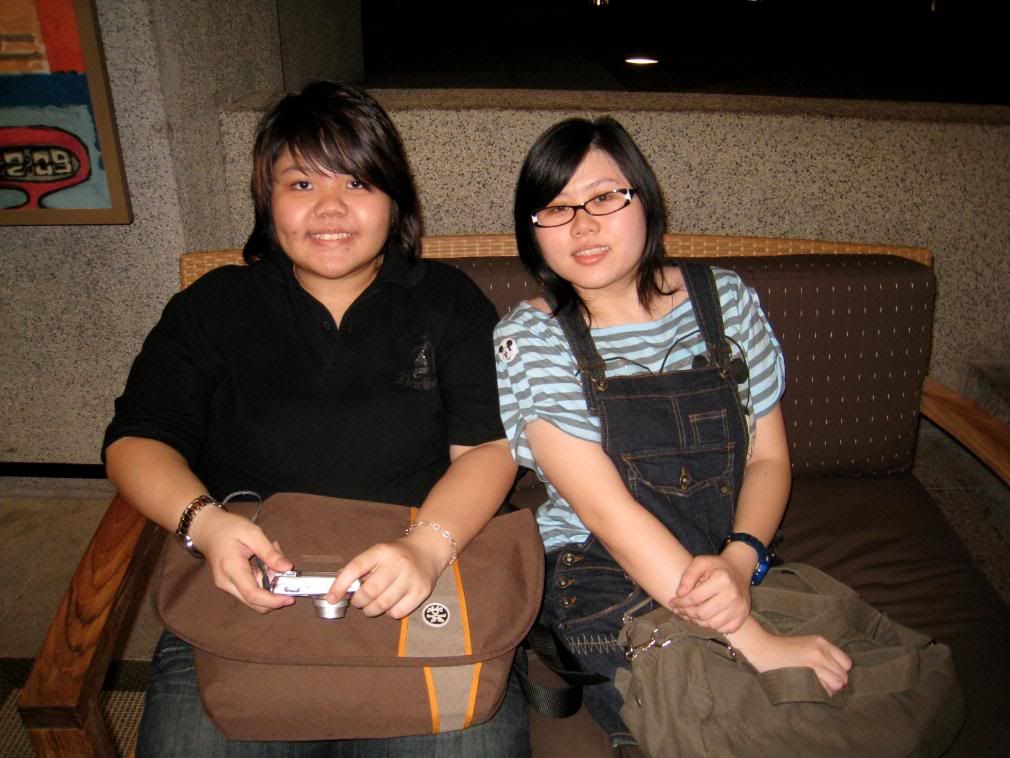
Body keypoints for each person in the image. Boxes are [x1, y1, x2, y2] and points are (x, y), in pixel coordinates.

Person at [104, 81, 529, 756]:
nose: (330, 209)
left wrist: (426, 546)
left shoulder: (447, 302)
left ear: (394, 199)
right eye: (301, 184)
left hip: (422, 583)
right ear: (267, 201)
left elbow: (487, 448)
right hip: (246, 591)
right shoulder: (214, 306)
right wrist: (204, 524)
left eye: (357, 182)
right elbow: (137, 439)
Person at [494, 116, 852, 747]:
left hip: (726, 553)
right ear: (533, 230)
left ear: (645, 199)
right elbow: (606, 512)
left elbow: (768, 459)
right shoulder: (531, 338)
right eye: (555, 208)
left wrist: (740, 562)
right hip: (601, 572)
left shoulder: (726, 300)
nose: (582, 225)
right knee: (709, 712)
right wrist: (753, 640)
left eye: (604, 197)